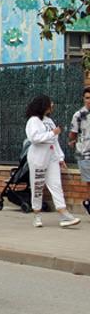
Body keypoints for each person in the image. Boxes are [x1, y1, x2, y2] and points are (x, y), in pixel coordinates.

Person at [25, 95, 81, 228]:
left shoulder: (49, 121)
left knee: (56, 184)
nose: (52, 105)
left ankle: (64, 214)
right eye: (50, 103)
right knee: (37, 186)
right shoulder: (33, 121)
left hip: (51, 156)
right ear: (44, 105)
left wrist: (60, 158)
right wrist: (52, 133)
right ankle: (37, 215)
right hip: (38, 156)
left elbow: (55, 142)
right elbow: (34, 138)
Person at [68, 87, 90, 217]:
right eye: (87, 98)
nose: (89, 100)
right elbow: (73, 133)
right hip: (84, 153)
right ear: (83, 99)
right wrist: (72, 141)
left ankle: (88, 202)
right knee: (89, 181)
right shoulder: (78, 115)